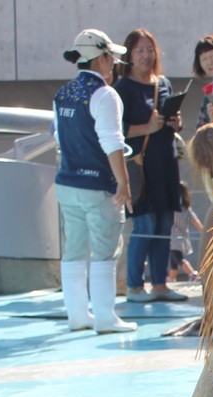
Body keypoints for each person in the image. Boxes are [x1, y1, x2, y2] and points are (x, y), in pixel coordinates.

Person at [53, 28, 136, 334]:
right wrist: (123, 182)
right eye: (111, 57)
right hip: (98, 185)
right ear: (101, 58)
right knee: (104, 251)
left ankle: (77, 315)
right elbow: (112, 142)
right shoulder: (105, 94)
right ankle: (105, 316)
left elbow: (58, 136)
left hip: (67, 183)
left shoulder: (62, 94)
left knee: (74, 249)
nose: (113, 63)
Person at [115, 28, 186, 304]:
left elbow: (170, 123)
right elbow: (116, 129)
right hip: (140, 165)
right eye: (140, 50)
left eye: (150, 50)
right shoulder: (122, 88)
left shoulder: (163, 83)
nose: (146, 56)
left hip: (166, 162)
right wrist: (148, 126)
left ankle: (159, 284)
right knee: (144, 224)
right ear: (129, 55)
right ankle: (134, 286)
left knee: (164, 224)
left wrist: (174, 122)